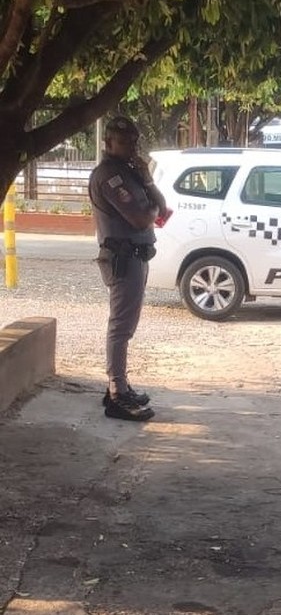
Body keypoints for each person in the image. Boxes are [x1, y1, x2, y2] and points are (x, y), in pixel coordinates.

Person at [88, 115, 169, 422]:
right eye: (123, 142)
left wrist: (147, 181)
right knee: (120, 327)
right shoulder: (110, 176)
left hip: (137, 255)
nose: (131, 147)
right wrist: (149, 207)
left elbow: (159, 207)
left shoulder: (131, 172)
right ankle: (116, 393)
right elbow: (141, 217)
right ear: (107, 143)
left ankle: (119, 385)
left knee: (127, 325)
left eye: (134, 141)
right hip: (123, 257)